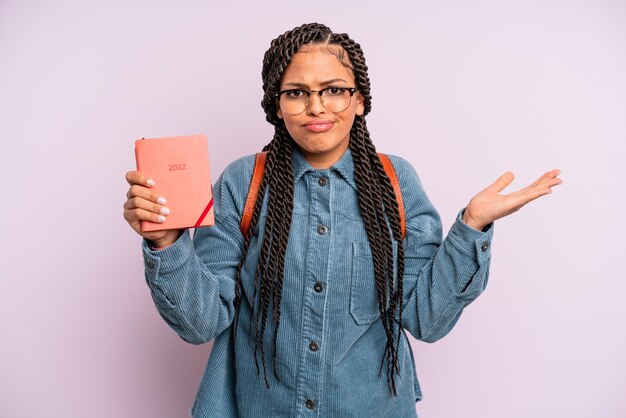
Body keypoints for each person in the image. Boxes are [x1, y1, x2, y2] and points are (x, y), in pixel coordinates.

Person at [123, 23, 561, 418]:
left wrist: (471, 226)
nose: (317, 107)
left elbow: (427, 320)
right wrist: (166, 243)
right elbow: (201, 323)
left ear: (359, 100)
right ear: (276, 107)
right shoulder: (242, 181)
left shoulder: (396, 182)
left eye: (333, 89)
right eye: (296, 92)